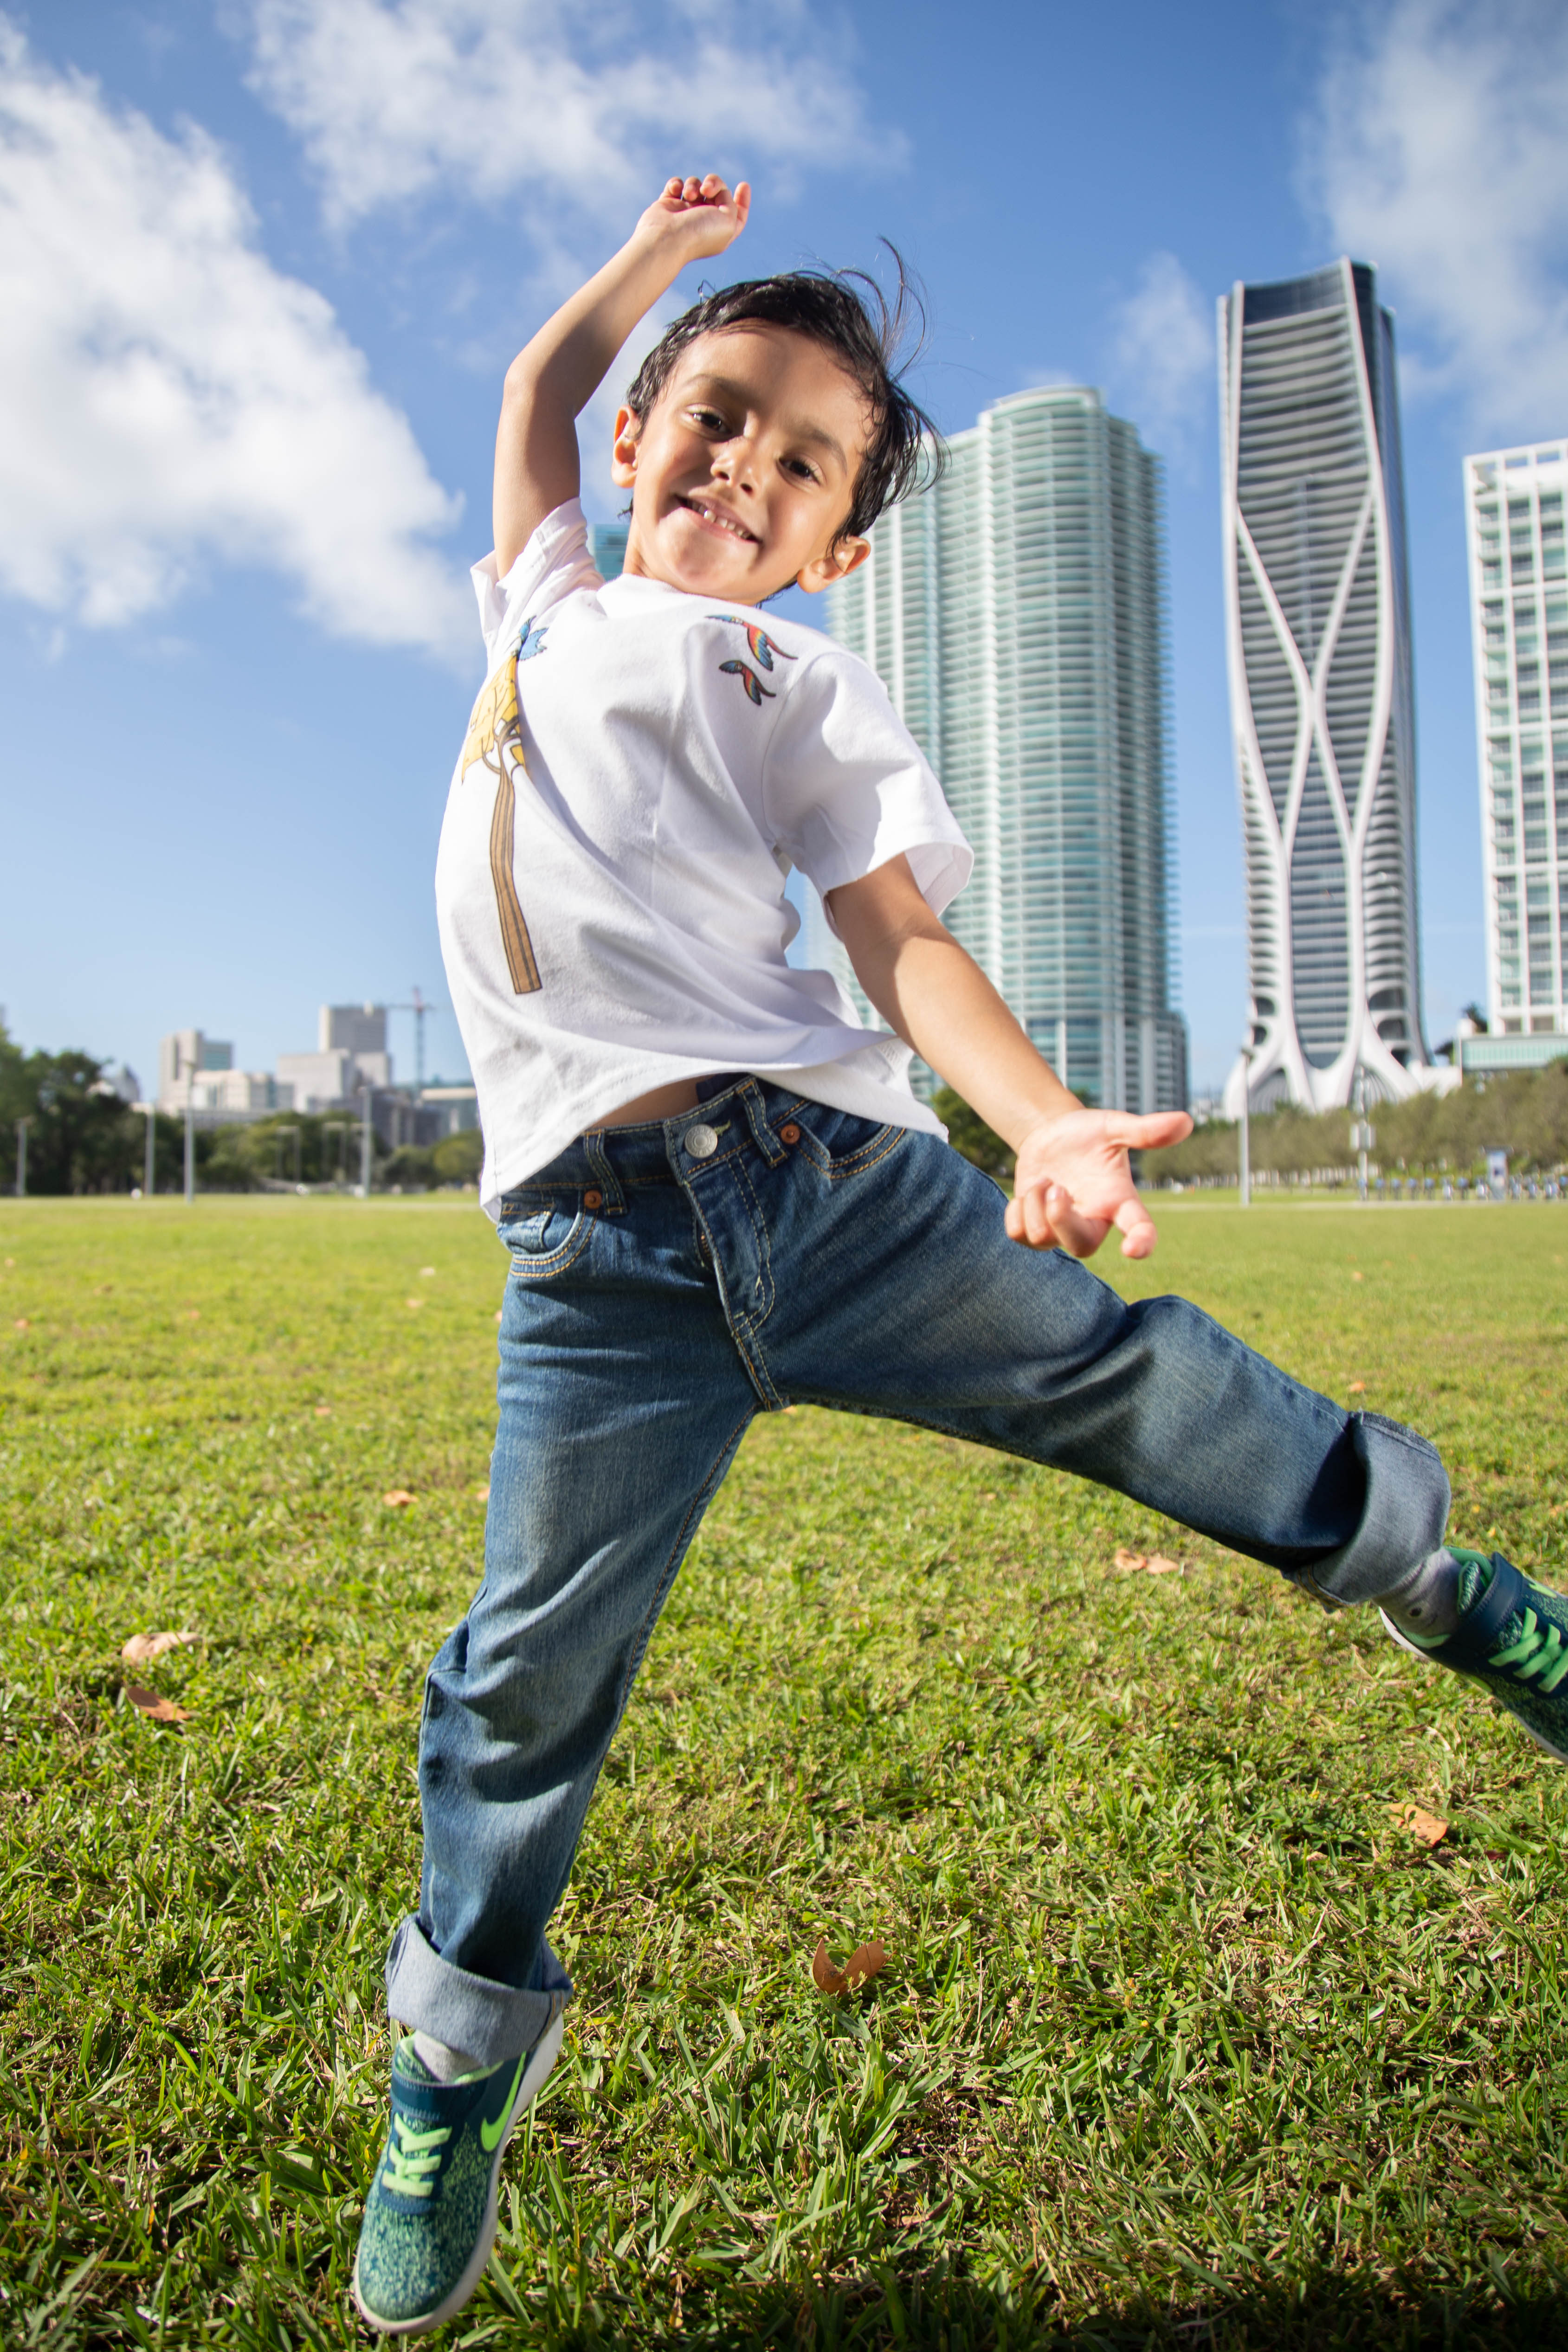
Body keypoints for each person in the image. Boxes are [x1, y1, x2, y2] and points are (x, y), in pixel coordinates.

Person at [351, 174, 1568, 2336]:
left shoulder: (787, 676)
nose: (744, 468)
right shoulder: (540, 593)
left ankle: (1437, 1576)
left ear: (833, 543)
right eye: (715, 416)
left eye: (800, 463)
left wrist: (1040, 1120)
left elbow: (896, 939)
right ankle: (453, 2063)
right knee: (523, 1672)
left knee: (1138, 1385)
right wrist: (648, 258)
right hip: (596, 1266)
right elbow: (534, 381)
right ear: (646, 435)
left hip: (833, 1192)